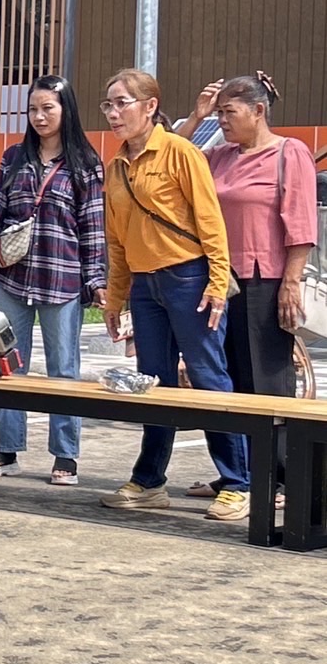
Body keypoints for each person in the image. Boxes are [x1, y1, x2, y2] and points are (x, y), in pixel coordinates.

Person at [98, 69, 249, 518]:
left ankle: (238, 483)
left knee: (208, 377)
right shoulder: (117, 167)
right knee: (152, 381)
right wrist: (115, 297)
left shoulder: (180, 152)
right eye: (108, 104)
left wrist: (217, 281)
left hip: (188, 279)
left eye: (122, 102)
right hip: (145, 286)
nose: (113, 112)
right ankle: (149, 480)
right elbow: (117, 241)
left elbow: (210, 222)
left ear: (149, 106)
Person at [0, 76, 107, 485]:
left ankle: (66, 456)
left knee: (64, 370)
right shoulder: (13, 158)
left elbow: (93, 227)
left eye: (49, 108)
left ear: (66, 110)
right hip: (11, 277)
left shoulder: (85, 163)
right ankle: (8, 450)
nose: (40, 116)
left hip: (61, 277)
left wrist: (96, 279)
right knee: (8, 366)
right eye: (33, 109)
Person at [193, 74, 315, 517]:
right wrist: (198, 116)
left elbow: (300, 222)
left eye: (230, 112)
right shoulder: (220, 155)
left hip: (266, 279)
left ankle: (280, 474)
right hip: (221, 282)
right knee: (225, 380)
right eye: (220, 113)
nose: (223, 121)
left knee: (266, 381)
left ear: (258, 111)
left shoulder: (288, 153)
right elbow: (176, 156)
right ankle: (239, 475)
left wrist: (291, 282)